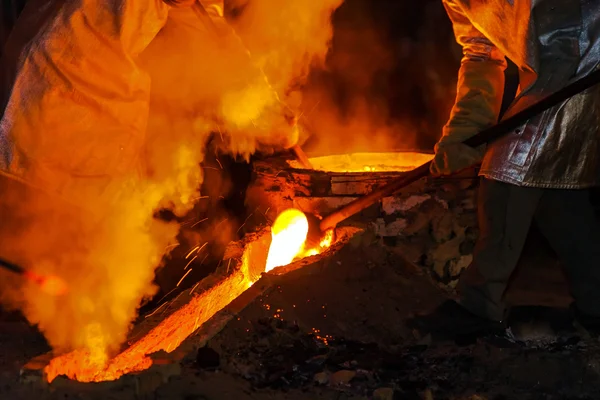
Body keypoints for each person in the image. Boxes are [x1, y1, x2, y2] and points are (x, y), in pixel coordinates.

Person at [414, 0, 600, 338]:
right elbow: (481, 52)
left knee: (509, 169)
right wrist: (464, 132)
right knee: (555, 194)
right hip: (551, 67)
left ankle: (478, 308)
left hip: (588, 50)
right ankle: (596, 305)